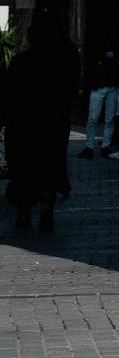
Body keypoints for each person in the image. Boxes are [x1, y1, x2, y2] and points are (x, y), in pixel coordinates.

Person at [4, 16, 81, 232]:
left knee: (23, 170)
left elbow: (7, 95)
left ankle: (23, 213)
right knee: (50, 168)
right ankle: (46, 208)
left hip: (22, 128)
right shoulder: (60, 64)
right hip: (52, 126)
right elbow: (71, 91)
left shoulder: (20, 63)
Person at [78, 40, 119, 159]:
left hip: (101, 87)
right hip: (107, 86)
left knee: (96, 118)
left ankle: (91, 147)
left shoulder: (96, 50)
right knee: (104, 119)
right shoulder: (112, 50)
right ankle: (102, 146)